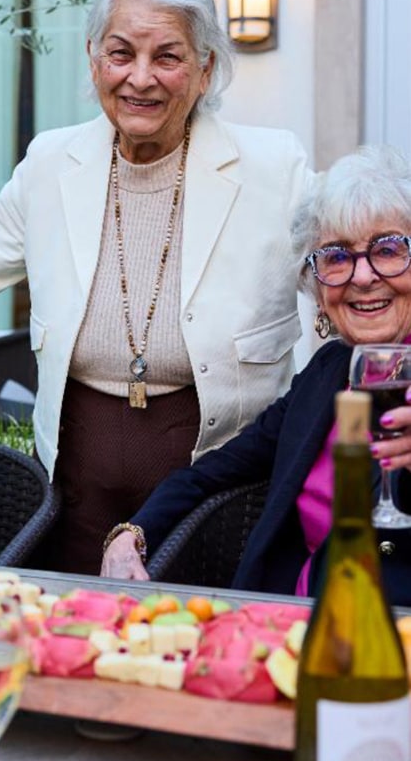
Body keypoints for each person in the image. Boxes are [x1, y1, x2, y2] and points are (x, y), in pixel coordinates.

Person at [0, 0, 313, 574]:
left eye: (167, 56)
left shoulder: (274, 168)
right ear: (92, 58)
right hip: (77, 492)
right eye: (121, 53)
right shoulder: (51, 165)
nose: (141, 78)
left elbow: (352, 276)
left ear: (206, 68)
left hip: (221, 499)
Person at [102, 145, 411, 604]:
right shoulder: (327, 373)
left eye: (387, 250)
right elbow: (213, 472)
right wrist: (131, 533)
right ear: (316, 285)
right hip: (284, 619)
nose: (362, 276)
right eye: (336, 257)